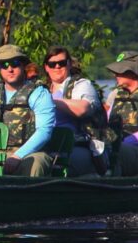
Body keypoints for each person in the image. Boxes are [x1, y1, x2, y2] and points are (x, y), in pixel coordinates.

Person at [0, 44, 56, 176]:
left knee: (35, 164)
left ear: (23, 65)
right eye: (4, 65)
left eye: (15, 63)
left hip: (31, 153)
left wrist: (17, 156)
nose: (10, 69)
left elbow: (44, 131)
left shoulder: (39, 93)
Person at [42, 46, 107, 176]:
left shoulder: (81, 85)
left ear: (69, 64)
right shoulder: (42, 89)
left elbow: (83, 109)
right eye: (52, 64)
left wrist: (49, 102)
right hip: (46, 145)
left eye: (62, 63)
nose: (57, 67)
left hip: (77, 146)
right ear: (46, 67)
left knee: (50, 164)